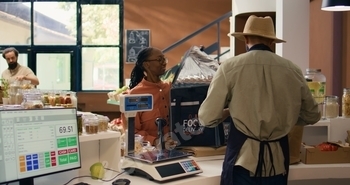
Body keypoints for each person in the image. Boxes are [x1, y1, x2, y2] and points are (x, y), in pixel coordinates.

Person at [198, 15, 321, 185]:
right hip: (277, 163)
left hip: (242, 160)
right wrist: (287, 119)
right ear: (271, 41)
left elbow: (207, 118)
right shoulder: (292, 69)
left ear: (246, 38)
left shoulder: (230, 67)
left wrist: (229, 112)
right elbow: (313, 115)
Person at [128, 47, 176, 150]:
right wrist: (155, 141)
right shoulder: (135, 94)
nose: (164, 63)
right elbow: (132, 131)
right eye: (159, 60)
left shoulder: (170, 89)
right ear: (146, 65)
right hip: (148, 152)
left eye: (164, 59)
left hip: (175, 148)